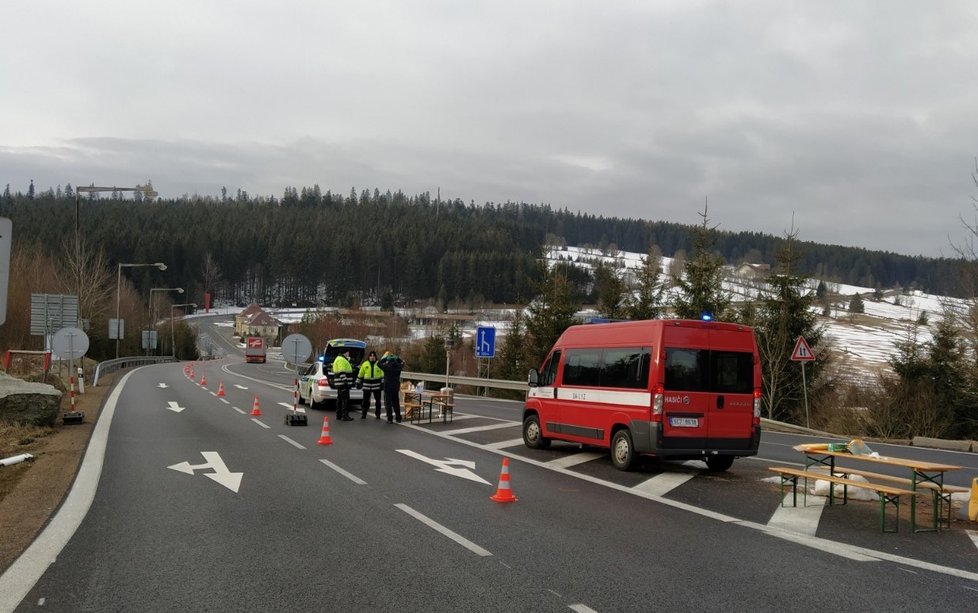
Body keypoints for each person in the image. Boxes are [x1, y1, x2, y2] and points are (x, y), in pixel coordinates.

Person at [378, 351, 405, 423]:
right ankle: (398, 417)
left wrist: (386, 358)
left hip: (388, 387)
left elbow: (378, 363)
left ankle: (390, 418)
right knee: (396, 403)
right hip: (395, 387)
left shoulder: (387, 367)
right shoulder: (398, 367)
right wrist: (397, 358)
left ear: (389, 361)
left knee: (388, 403)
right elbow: (403, 362)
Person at [356, 351, 385, 419]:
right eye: (371, 356)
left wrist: (382, 384)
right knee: (365, 401)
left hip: (377, 385)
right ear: (369, 357)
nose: (372, 357)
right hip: (366, 385)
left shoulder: (379, 364)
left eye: (373, 356)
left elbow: (382, 375)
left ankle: (378, 414)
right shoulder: (365, 364)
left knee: (378, 401)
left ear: (375, 357)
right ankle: (364, 414)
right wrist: (358, 382)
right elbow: (360, 374)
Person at [332, 349, 354, 421]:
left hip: (340, 383)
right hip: (343, 383)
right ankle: (345, 415)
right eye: (348, 352)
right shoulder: (341, 360)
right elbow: (342, 372)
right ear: (345, 352)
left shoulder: (339, 359)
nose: (348, 353)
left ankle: (339, 415)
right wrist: (346, 382)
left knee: (340, 399)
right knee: (345, 400)